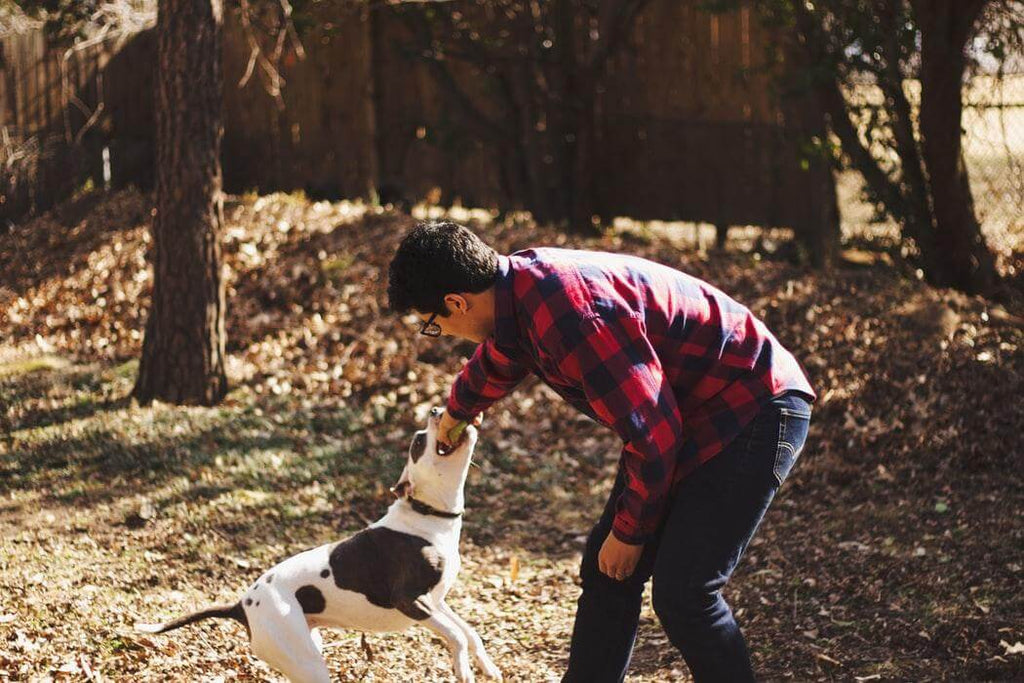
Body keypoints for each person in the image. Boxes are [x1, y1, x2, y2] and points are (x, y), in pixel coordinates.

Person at [387, 220, 815, 682]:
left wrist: (630, 534)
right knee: (608, 571)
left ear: (456, 301)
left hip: (752, 406)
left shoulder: (574, 316)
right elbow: (501, 358)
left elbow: (654, 436)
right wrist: (456, 412)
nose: (442, 331)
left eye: (435, 323)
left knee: (685, 593)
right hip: (690, 413)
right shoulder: (521, 293)